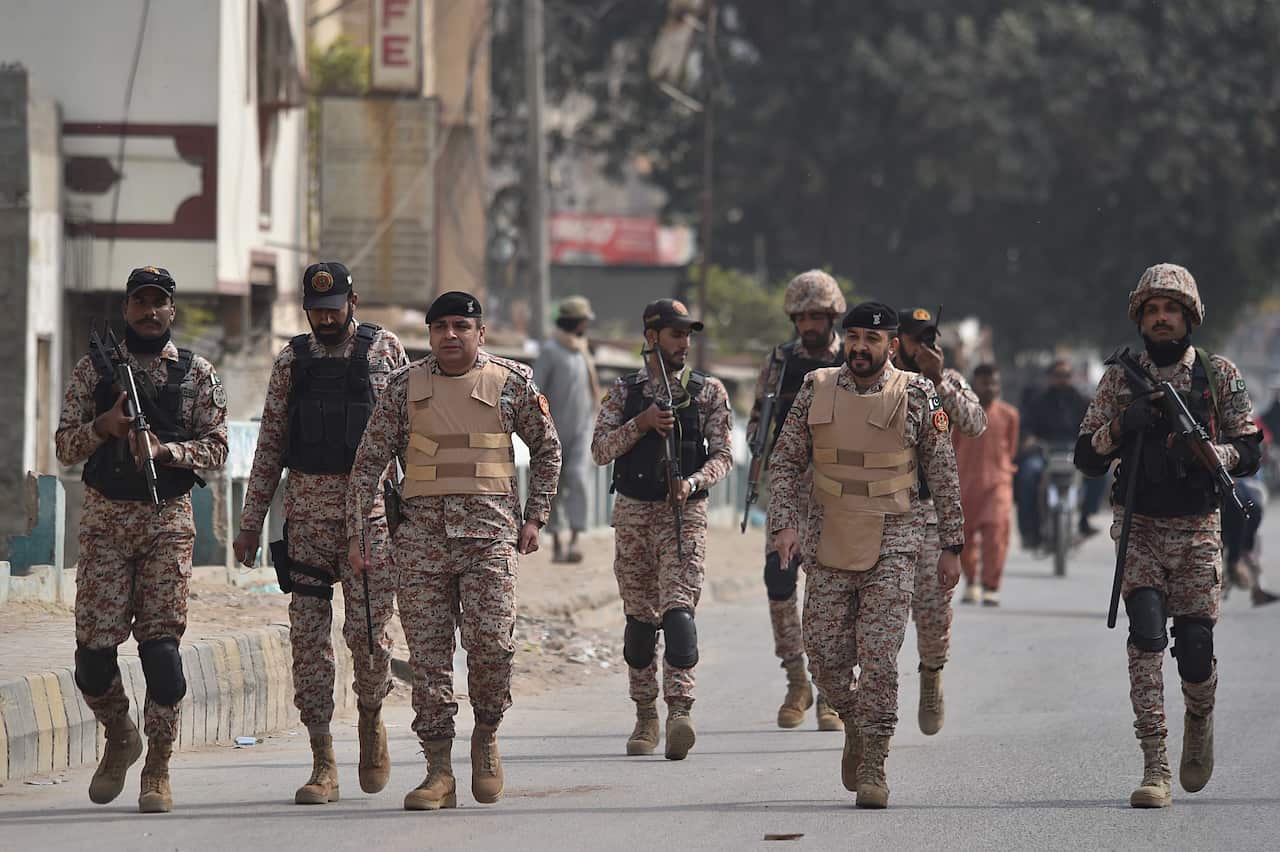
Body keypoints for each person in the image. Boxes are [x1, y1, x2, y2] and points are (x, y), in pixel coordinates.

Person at [345, 291, 561, 811]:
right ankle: (438, 769)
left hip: (490, 540)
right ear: (429, 334)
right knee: (429, 661)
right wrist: (359, 532)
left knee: (493, 646)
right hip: (420, 545)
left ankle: (485, 735)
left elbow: (549, 449)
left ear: (479, 333)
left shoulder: (512, 382)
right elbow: (368, 464)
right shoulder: (403, 389)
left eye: (460, 325)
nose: (450, 335)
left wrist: (535, 517)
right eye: (440, 326)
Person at [1075, 263, 1261, 809]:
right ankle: (1154, 764)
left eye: (1171, 310)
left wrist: (1209, 452)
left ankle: (1198, 719)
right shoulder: (1119, 378)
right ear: (1140, 318)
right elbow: (1086, 456)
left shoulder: (1217, 374)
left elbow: (1251, 448)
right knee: (1147, 636)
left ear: (1189, 317)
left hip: (1199, 527)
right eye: (1152, 310)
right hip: (1140, 527)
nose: (1161, 318)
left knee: (1196, 648)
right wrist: (1123, 425)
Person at [769, 302, 963, 809]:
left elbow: (943, 473)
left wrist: (952, 545)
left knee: (878, 658)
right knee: (826, 658)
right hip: (828, 536)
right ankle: (853, 720)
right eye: (853, 336)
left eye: (871, 339)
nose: (859, 347)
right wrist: (784, 524)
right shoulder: (815, 386)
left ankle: (875, 760)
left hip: (897, 539)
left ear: (891, 346)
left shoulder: (919, 394)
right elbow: (787, 460)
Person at [55, 266, 228, 813]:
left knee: (161, 654)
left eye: (159, 302)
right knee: (93, 659)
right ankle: (119, 733)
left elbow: (220, 449)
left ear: (172, 310)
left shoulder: (197, 372)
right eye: (140, 302)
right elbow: (63, 446)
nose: (149, 311)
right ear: (127, 308)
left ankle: (157, 764)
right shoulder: (94, 370)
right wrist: (103, 427)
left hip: (166, 525)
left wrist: (165, 453)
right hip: (105, 522)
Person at [233, 262, 407, 804]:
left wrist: (419, 510)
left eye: (334, 310)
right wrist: (250, 523)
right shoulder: (292, 361)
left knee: (369, 639)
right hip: (306, 523)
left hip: (370, 523)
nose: (326, 319)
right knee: (309, 646)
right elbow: (270, 445)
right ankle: (322, 760)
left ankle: (372, 719)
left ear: (353, 302)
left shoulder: (385, 352)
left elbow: (408, 431)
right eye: (316, 310)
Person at [591, 298, 733, 760]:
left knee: (678, 615)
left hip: (682, 516)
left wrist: (692, 481)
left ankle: (680, 712)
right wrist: (642, 423)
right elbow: (599, 449)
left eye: (689, 334)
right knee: (639, 623)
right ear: (651, 337)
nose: (684, 343)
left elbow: (725, 456)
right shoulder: (624, 392)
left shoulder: (709, 391)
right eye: (676, 334)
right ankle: (645, 715)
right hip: (633, 515)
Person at [745, 270, 845, 731]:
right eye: (802, 316)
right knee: (780, 583)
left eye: (817, 316)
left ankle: (831, 691)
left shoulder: (853, 360)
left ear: (832, 316)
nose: (809, 324)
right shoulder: (781, 362)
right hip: (789, 488)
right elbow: (756, 424)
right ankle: (797, 680)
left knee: (832, 593)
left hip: (840, 494)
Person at [893, 307, 986, 735]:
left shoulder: (947, 381)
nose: (925, 346)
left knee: (931, 611)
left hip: (930, 511)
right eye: (917, 339)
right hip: (881, 509)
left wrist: (940, 382)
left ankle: (931, 672)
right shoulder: (881, 377)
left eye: (931, 337)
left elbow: (974, 424)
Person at [533, 295, 601, 563]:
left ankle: (575, 540)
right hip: (556, 431)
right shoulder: (551, 351)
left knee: (578, 478)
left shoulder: (582, 351)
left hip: (582, 430)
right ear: (576, 322)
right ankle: (559, 542)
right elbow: (536, 390)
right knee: (555, 486)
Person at [953, 364, 1020, 605]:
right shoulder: (962, 414)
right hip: (966, 483)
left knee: (996, 536)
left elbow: (1011, 449)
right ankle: (972, 581)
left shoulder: (1009, 415)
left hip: (998, 485)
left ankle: (991, 585)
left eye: (994, 383)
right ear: (974, 385)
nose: (990, 387)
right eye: (985, 383)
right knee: (965, 537)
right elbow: (954, 446)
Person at [1016, 359, 1093, 546]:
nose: (1062, 380)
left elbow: (1093, 422)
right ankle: (1030, 531)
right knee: (1027, 474)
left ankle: (1084, 520)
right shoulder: (1037, 401)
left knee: (1100, 474)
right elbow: (1025, 425)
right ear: (1050, 378)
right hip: (1044, 452)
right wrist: (1028, 438)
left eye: (1066, 376)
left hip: (1075, 451)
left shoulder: (1081, 400)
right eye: (1058, 376)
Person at [1221, 416, 1279, 606]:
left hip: (1246, 489)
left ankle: (1256, 588)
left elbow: (1265, 444)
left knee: (1250, 544)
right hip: (1230, 489)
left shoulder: (1250, 421)